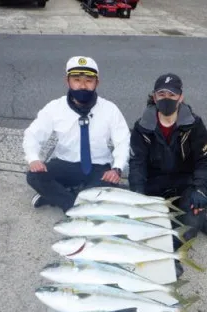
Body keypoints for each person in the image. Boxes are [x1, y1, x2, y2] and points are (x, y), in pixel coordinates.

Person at [23, 56, 130, 213]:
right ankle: (78, 204)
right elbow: (32, 134)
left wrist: (117, 168)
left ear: (96, 83)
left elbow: (123, 141)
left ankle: (59, 196)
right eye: (77, 80)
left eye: (88, 80)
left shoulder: (110, 109)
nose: (82, 86)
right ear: (68, 82)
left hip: (98, 167)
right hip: (66, 164)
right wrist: (33, 158)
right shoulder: (55, 107)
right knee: (34, 176)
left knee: (111, 183)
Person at [128, 73, 207, 239]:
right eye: (161, 94)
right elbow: (136, 164)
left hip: (186, 183)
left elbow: (205, 162)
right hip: (155, 183)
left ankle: (197, 217)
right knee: (143, 228)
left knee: (187, 229)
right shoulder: (141, 127)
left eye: (172, 95)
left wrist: (200, 188)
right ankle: (189, 216)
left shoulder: (194, 125)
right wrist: (137, 192)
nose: (166, 99)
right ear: (154, 97)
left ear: (180, 97)